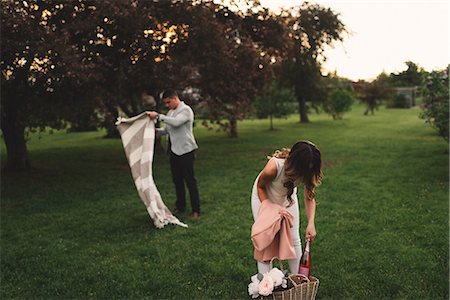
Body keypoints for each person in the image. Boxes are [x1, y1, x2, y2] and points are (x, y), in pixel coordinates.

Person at [251, 140, 323, 274]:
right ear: (295, 163)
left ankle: (298, 280)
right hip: (264, 198)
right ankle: (265, 283)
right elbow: (260, 187)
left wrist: (311, 223)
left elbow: (309, 197)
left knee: (294, 238)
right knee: (266, 240)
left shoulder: (308, 166)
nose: (307, 171)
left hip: (287, 199)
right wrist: (269, 209)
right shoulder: (274, 167)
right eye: (304, 168)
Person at [147, 89, 201, 221]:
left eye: (168, 102)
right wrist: (154, 131)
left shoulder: (186, 110)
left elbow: (176, 123)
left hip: (186, 151)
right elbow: (168, 129)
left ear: (174, 98)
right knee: (177, 181)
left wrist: (158, 116)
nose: (167, 105)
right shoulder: (171, 112)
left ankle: (196, 210)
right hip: (173, 151)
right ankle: (180, 207)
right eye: (165, 103)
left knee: (190, 181)